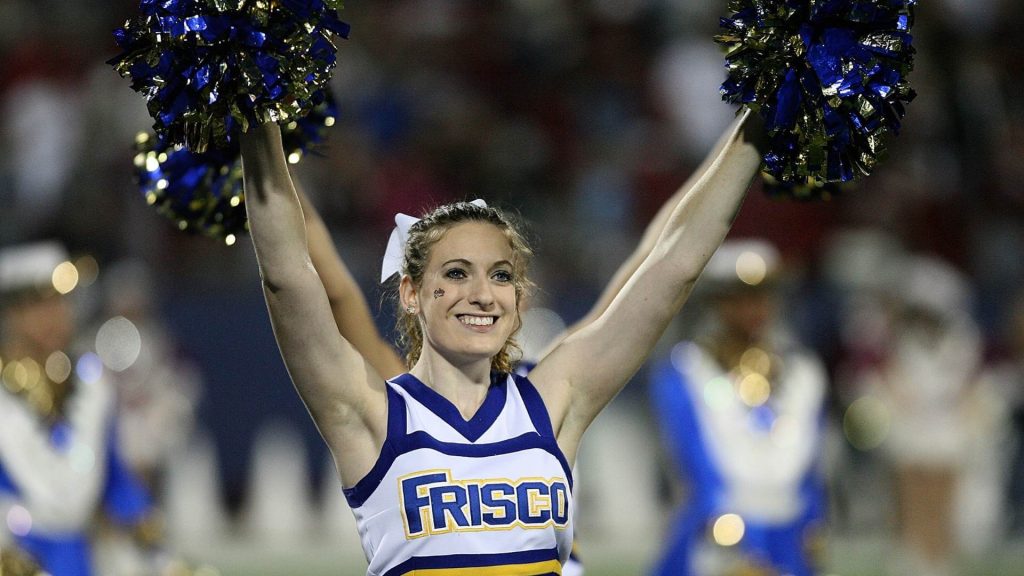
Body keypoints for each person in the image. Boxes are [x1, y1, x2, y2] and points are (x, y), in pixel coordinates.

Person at [238, 102, 762, 573]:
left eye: (502, 275)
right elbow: (290, 276)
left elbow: (674, 262)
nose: (483, 295)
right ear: (412, 292)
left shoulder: (554, 400)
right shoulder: (373, 414)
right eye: (457, 273)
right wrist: (254, 114)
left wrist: (766, 101)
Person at [648, 239, 829, 576]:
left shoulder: (803, 371)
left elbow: (811, 466)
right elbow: (694, 457)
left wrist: (812, 520)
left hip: (788, 530)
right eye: (740, 297)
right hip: (720, 528)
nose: (754, 308)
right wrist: (723, 524)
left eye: (763, 295)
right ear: (716, 303)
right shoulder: (688, 369)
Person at [0, 241, 156, 576]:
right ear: (13, 312)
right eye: (42, 304)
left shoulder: (90, 387)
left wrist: (153, 543)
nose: (56, 315)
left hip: (79, 561)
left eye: (61, 301)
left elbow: (115, 480)